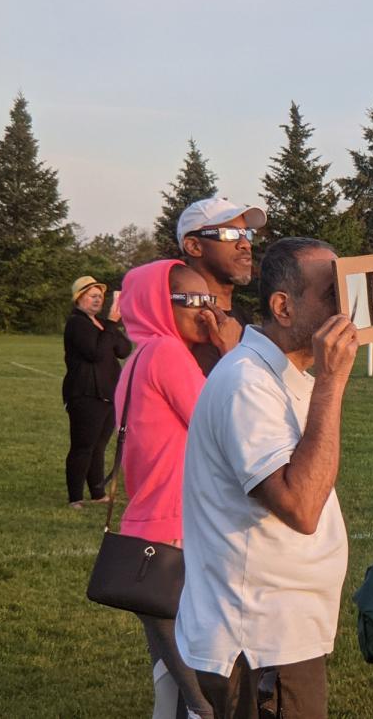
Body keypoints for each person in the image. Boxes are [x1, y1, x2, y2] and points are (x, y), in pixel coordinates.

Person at [177, 237, 358, 719]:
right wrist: (332, 383)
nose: (349, 313)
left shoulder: (280, 375)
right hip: (259, 640)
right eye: (333, 297)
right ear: (282, 306)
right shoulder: (247, 383)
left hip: (281, 633)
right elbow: (300, 505)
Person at [115, 259, 234, 719]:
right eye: (194, 300)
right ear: (159, 305)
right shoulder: (167, 352)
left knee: (167, 664)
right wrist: (231, 351)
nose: (208, 310)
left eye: (211, 299)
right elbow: (219, 423)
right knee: (196, 670)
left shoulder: (140, 354)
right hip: (177, 521)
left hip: (149, 518)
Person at [62, 275, 131, 509]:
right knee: (83, 446)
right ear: (79, 298)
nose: (97, 300)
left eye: (100, 296)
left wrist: (114, 324)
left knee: (99, 446)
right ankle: (75, 497)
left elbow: (123, 349)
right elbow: (95, 352)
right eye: (92, 295)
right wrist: (110, 325)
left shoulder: (102, 324)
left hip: (108, 393)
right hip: (85, 393)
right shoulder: (77, 323)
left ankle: (97, 492)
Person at [176, 197, 267, 375]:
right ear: (194, 246)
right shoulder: (190, 324)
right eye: (229, 234)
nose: (245, 244)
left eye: (247, 234)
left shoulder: (241, 317)